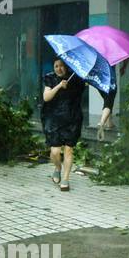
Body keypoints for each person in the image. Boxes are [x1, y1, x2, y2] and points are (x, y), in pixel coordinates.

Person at [41, 57, 88, 191]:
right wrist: (59, 86)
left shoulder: (77, 79)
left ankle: (66, 179)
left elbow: (82, 90)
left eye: (62, 66)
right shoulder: (50, 78)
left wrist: (77, 83)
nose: (59, 69)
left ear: (67, 67)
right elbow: (46, 97)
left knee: (68, 149)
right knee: (55, 151)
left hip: (72, 118)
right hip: (53, 118)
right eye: (56, 66)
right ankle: (57, 167)